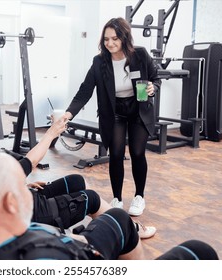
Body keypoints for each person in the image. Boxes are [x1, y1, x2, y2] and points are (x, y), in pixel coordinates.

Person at [0, 122, 155, 259]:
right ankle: (129, 231)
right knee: (104, 207)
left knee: (77, 180)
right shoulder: (36, 248)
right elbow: (28, 162)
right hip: (36, 213)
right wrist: (51, 134)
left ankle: (122, 230)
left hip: (27, 201)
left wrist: (22, 184)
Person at [0, 152, 218, 260]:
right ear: (11, 203)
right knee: (199, 251)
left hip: (71, 244)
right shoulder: (45, 258)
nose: (28, 191)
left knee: (119, 218)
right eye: (21, 187)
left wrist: (72, 238)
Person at [63, 18, 162, 216]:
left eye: (115, 39)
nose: (110, 43)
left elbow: (155, 79)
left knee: (137, 153)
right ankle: (116, 199)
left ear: (124, 38)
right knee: (115, 154)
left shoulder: (140, 55)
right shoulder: (100, 62)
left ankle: (139, 197)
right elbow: (85, 90)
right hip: (114, 111)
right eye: (106, 39)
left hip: (138, 109)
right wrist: (68, 113)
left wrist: (153, 88)